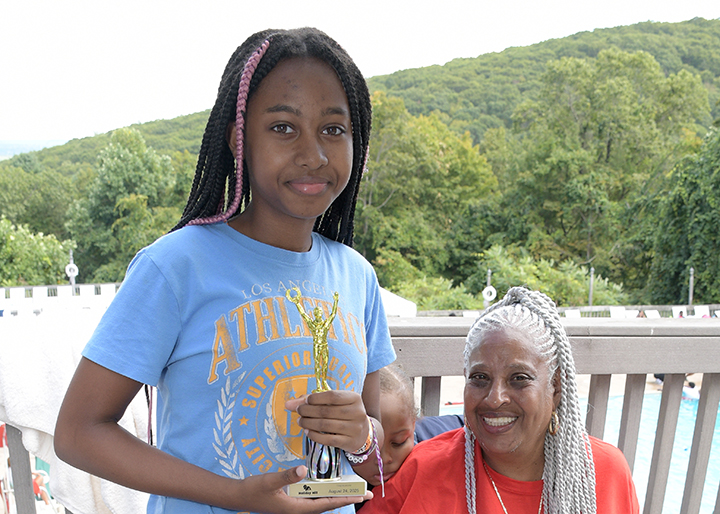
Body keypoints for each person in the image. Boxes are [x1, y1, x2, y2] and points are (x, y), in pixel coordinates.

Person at [54, 27, 396, 514]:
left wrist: (361, 437)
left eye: (333, 130)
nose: (313, 155)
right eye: (283, 127)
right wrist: (234, 495)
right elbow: (78, 432)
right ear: (239, 140)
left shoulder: (357, 278)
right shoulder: (175, 266)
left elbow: (376, 457)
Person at [361, 287, 639, 513]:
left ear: (555, 388)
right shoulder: (421, 470)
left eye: (519, 378)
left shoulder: (605, 472)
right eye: (480, 377)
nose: (495, 399)